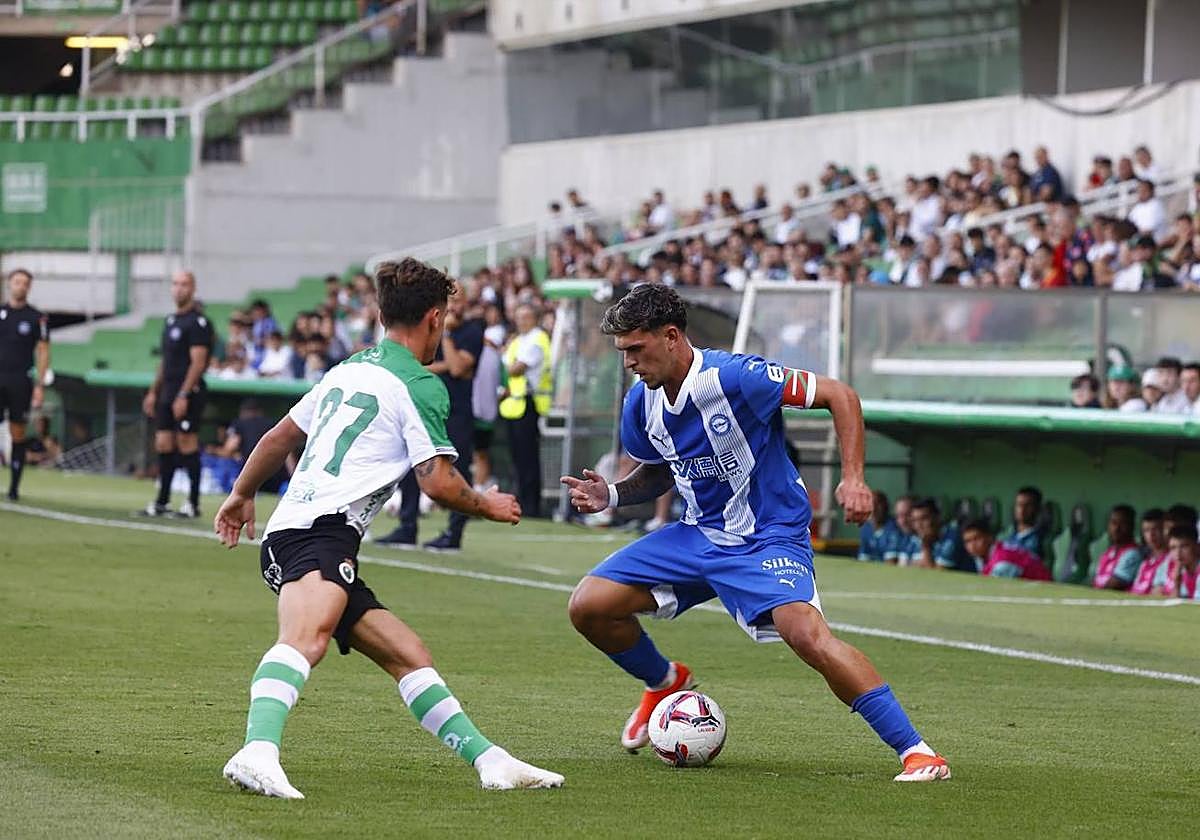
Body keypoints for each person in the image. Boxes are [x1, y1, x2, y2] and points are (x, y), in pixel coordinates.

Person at [560, 284, 949, 784]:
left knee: (806, 636)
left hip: (767, 536)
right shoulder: (642, 403)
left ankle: (917, 752)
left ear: (672, 336)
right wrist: (611, 495)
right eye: (623, 352)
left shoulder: (736, 376)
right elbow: (659, 471)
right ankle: (663, 681)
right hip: (696, 535)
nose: (629, 362)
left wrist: (853, 478)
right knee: (587, 606)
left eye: (636, 348)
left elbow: (839, 395)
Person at [212, 257, 562, 798]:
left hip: (304, 530)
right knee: (306, 639)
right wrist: (488, 505)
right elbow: (439, 484)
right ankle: (257, 750)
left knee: (407, 654)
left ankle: (491, 761)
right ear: (435, 318)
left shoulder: (349, 368)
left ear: (379, 314)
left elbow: (280, 437)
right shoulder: (420, 384)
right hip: (316, 534)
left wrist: (240, 494)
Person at [376, 290, 484, 551]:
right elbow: (417, 363)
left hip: (457, 410)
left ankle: (454, 533)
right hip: (425, 405)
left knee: (457, 466)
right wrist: (444, 364)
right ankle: (407, 526)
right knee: (414, 463)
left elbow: (457, 367)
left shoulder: (471, 331)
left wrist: (446, 336)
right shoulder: (426, 329)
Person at [141, 271, 215, 518]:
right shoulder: (171, 320)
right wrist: (154, 391)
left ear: (193, 289)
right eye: (175, 284)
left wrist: (184, 394)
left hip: (188, 390)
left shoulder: (198, 323)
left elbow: (198, 361)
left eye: (184, 284)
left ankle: (193, 503)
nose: (178, 289)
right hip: (168, 389)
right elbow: (165, 361)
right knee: (163, 442)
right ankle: (162, 500)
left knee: (186, 442)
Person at [0, 268, 49, 501]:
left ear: (29, 287)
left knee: (17, 432)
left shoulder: (36, 317)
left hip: (20, 381)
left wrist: (39, 384)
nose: (20, 286)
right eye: (16, 281)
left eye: (24, 283)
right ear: (9, 284)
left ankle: (13, 488)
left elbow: (43, 350)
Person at [500, 304, 551, 518]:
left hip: (529, 404)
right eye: (519, 316)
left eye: (526, 317)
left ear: (535, 318)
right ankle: (521, 501)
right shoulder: (518, 340)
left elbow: (514, 368)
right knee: (518, 459)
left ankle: (532, 506)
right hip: (514, 405)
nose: (521, 321)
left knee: (528, 459)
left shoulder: (537, 338)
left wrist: (503, 365)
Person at [910, 498, 974, 572]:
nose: (919, 525)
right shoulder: (915, 538)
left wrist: (926, 547)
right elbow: (906, 566)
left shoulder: (953, 537)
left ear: (937, 517)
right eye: (915, 520)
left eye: (924, 518)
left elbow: (934, 575)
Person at [1091, 504, 1141, 590]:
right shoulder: (1108, 552)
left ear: (1132, 526)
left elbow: (1115, 585)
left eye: (1122, 524)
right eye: (1113, 523)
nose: (1116, 528)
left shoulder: (1133, 553)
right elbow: (1097, 580)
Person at [997, 486, 1046, 562]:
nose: (1022, 509)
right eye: (1019, 504)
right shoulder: (1003, 536)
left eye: (1028, 505)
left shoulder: (1043, 540)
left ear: (1037, 508)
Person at [1130, 508, 1170, 595]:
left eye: (1155, 529)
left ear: (1166, 530)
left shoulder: (1171, 560)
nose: (1151, 535)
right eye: (1146, 530)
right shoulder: (1145, 562)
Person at [1152, 527, 1198, 599]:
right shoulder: (1169, 567)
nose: (1178, 553)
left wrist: (1176, 585)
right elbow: (1155, 595)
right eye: (1173, 548)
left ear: (1197, 547)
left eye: (1184, 546)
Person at [857, 490, 901, 562]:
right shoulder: (866, 528)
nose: (873, 509)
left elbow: (891, 563)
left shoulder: (894, 527)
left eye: (877, 504)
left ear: (886, 507)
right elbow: (863, 559)